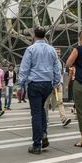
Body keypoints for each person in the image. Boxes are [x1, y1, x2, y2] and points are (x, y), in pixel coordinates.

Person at [18, 27, 61, 155]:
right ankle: (43, 133)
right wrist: (56, 83)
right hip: (47, 84)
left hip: (35, 84)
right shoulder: (51, 49)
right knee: (41, 109)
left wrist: (21, 85)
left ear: (34, 36)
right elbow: (56, 68)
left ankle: (37, 145)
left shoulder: (30, 49)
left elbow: (24, 68)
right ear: (44, 35)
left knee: (36, 113)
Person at [45, 47, 71, 127]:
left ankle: (64, 119)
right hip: (50, 84)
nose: (58, 54)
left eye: (59, 52)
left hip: (59, 84)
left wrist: (61, 83)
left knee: (60, 101)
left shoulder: (60, 62)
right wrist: (53, 85)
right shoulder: (49, 62)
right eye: (56, 52)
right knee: (46, 103)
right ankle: (45, 119)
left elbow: (61, 74)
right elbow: (49, 73)